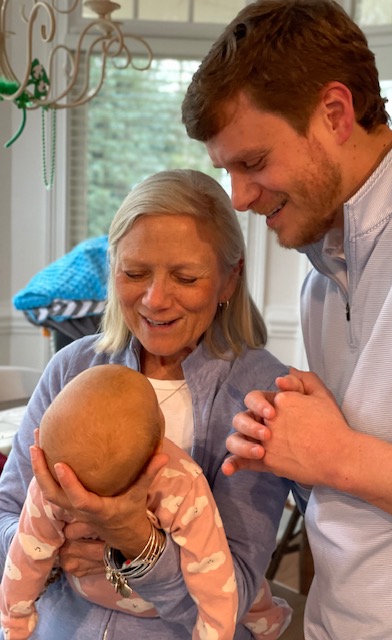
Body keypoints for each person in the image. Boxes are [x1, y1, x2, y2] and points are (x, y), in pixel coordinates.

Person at [181, 1, 392, 639]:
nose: (239, 197)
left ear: (336, 113)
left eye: (253, 162)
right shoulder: (323, 264)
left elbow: (351, 463)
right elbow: (362, 490)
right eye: (227, 171)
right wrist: (287, 450)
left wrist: (338, 457)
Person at [0, 169, 294, 640]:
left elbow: (231, 595)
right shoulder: (72, 366)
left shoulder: (259, 394)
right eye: (134, 273)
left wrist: (133, 544)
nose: (155, 300)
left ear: (229, 279)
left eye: (186, 277)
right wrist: (48, 548)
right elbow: (7, 510)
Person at [0, 364, 290, 640]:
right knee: (239, 587)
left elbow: (23, 559)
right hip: (139, 604)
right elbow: (214, 578)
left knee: (247, 589)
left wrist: (15, 622)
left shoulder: (52, 479)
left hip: (108, 593)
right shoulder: (179, 480)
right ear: (160, 432)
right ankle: (268, 617)